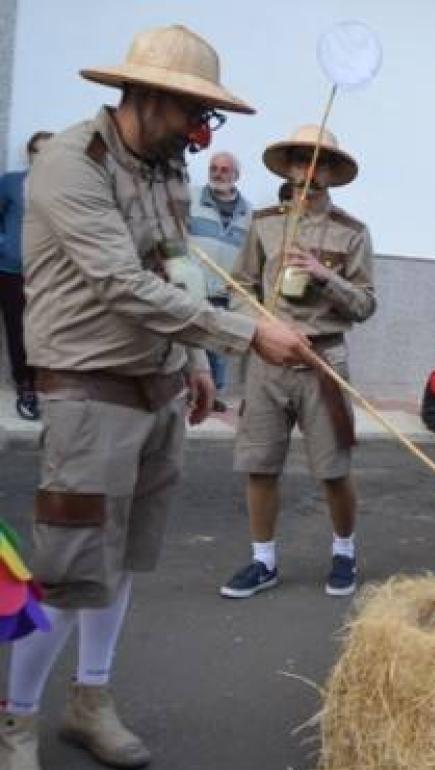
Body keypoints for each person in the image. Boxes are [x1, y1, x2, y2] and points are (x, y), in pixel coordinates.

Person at [0, 25, 309, 770]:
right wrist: (243, 335)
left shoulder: (168, 169)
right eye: (191, 111)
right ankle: (15, 722)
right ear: (145, 95)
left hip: (160, 391)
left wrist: (197, 357)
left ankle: (91, 701)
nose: (200, 130)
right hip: (88, 392)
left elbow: (173, 264)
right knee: (73, 568)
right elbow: (119, 283)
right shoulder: (70, 163)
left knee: (125, 560)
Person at [220, 125, 376, 600]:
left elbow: (366, 304)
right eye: (301, 160)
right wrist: (258, 328)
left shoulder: (352, 232)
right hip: (268, 359)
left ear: (331, 171)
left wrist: (326, 277)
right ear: (288, 167)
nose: (310, 170)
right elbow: (239, 285)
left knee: (332, 468)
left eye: (321, 162)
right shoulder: (264, 222)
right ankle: (263, 561)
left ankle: (345, 551)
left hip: (323, 360)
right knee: (260, 464)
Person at [188, 150, 252, 411]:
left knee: (219, 343)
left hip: (227, 288)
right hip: (193, 285)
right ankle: (191, 390)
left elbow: (250, 253)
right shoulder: (191, 198)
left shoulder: (249, 213)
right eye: (214, 168)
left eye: (225, 169)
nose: (218, 173)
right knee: (191, 339)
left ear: (236, 175)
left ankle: (214, 394)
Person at [0, 130, 53, 420]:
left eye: (49, 151)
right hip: (12, 272)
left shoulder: (65, 187)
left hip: (51, 275)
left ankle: (46, 382)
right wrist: (5, 245)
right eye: (38, 151)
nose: (43, 157)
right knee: (17, 331)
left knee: (47, 330)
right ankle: (26, 386)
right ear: (29, 154)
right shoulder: (10, 182)